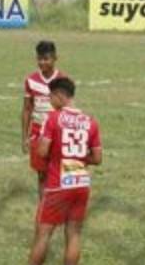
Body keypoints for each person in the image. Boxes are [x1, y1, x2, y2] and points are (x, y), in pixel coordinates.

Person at [27, 78, 102, 265]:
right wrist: (77, 157)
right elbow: (97, 158)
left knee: (43, 234)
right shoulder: (90, 121)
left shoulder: (53, 118)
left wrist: (52, 152)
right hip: (81, 183)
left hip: (58, 183)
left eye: (51, 97)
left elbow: (43, 151)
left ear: (59, 95)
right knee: (74, 233)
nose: (50, 102)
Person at [22, 40, 68, 192]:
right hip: (38, 133)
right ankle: (43, 205)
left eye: (46, 59)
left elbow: (67, 109)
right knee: (41, 174)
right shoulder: (31, 80)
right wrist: (24, 137)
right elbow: (27, 109)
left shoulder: (63, 80)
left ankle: (57, 203)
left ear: (55, 58)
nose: (42, 62)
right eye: (39, 59)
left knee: (57, 173)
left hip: (57, 133)